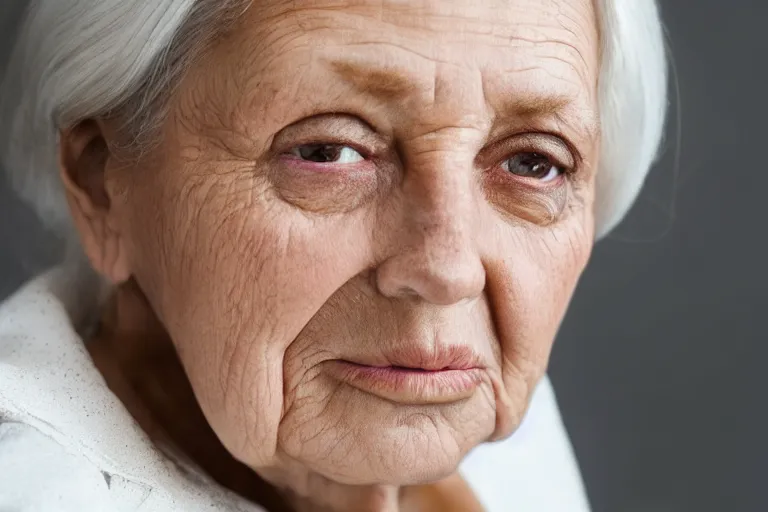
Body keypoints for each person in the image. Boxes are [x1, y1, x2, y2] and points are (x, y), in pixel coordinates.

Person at [0, 0, 667, 510]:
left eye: (532, 161)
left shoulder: (427, 389)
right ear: (102, 184)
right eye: (326, 152)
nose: (447, 269)